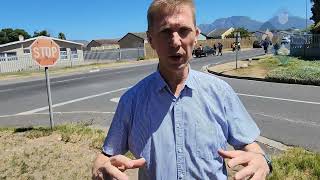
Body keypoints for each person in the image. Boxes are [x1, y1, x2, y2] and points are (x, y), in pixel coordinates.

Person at [92, 0, 271, 179]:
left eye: (184, 31)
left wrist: (262, 160)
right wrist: (100, 169)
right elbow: (106, 156)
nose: (175, 41)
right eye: (165, 32)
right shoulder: (131, 100)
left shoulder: (220, 92)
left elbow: (250, 146)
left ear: (196, 35)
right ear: (151, 40)